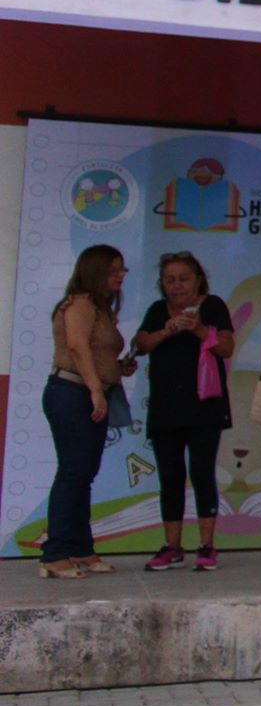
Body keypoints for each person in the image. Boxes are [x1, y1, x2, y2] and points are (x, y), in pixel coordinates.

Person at [131, 251, 236, 571]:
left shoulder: (213, 305)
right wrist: (168, 329)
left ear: (198, 279)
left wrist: (199, 329)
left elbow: (226, 348)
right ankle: (171, 545)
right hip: (166, 406)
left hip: (204, 405)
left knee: (202, 473)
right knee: (170, 476)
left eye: (183, 278)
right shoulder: (156, 310)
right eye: (169, 280)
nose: (176, 286)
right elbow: (142, 344)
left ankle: (207, 545)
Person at [40, 245, 130, 578]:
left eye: (122, 270)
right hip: (72, 393)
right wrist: (95, 389)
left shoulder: (101, 307)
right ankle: (55, 552)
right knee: (72, 472)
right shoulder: (79, 303)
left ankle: (80, 548)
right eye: (113, 270)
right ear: (95, 272)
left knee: (84, 474)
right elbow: (76, 346)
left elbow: (97, 351)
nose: (119, 276)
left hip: (92, 391)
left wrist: (118, 368)